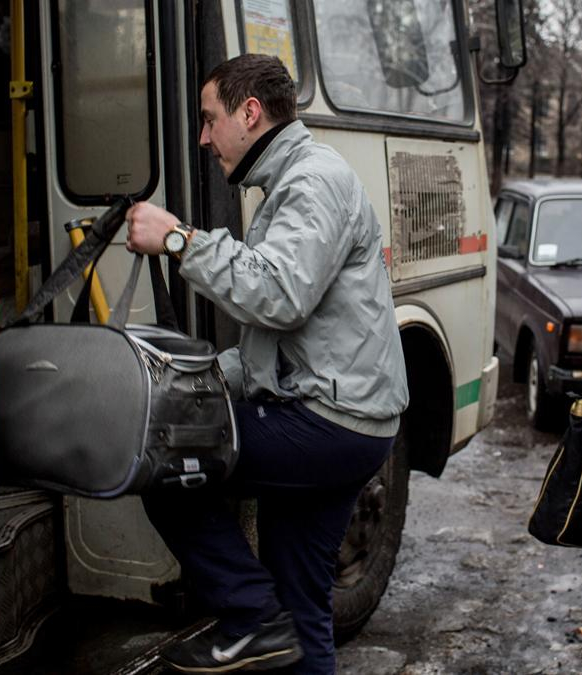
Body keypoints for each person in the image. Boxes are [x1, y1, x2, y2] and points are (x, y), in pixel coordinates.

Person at [124, 54, 409, 673]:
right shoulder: (292, 182)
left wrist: (177, 239)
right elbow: (280, 340)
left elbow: (279, 295)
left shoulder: (312, 181)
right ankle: (267, 623)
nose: (203, 139)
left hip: (328, 423)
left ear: (250, 113)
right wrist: (201, 378)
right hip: (342, 419)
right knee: (302, 615)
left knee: (166, 466)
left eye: (209, 119)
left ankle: (251, 617)